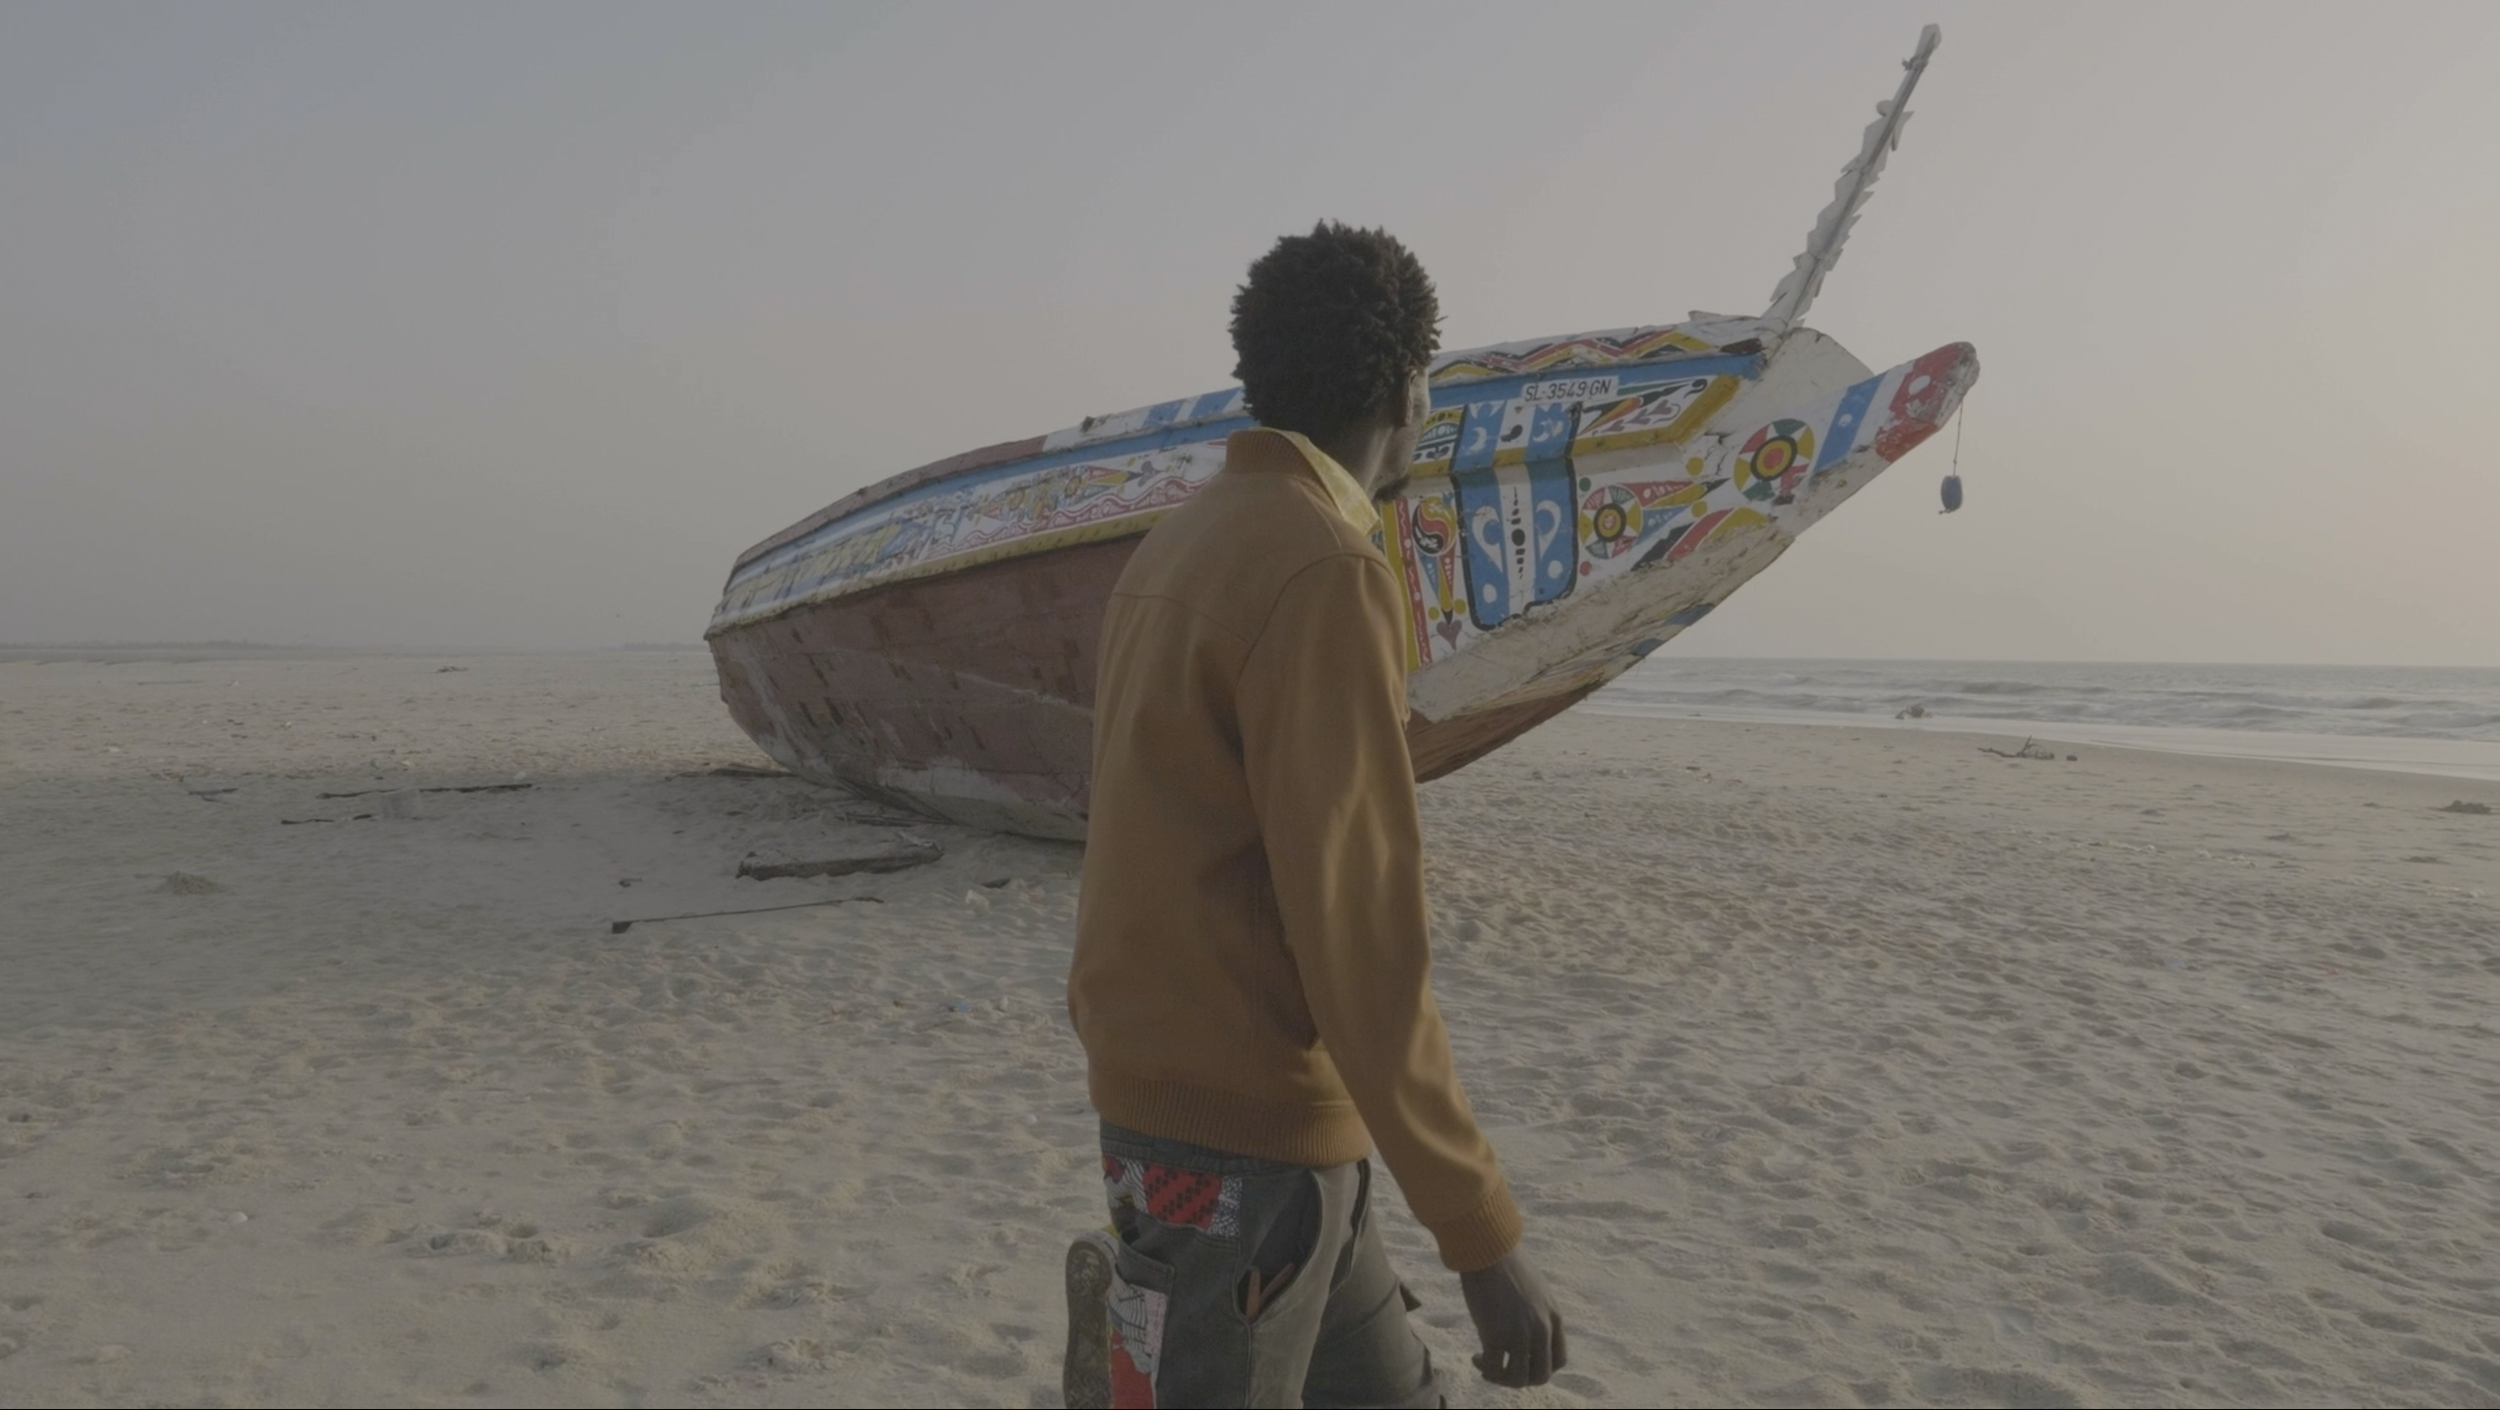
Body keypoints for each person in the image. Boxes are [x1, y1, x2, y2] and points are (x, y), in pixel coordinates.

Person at [1062, 222, 1565, 1409]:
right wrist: (1480, 1233)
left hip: (1194, 1112)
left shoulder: (1179, 542)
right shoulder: (1322, 567)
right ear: (1405, 389)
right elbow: (1358, 931)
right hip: (1241, 1150)